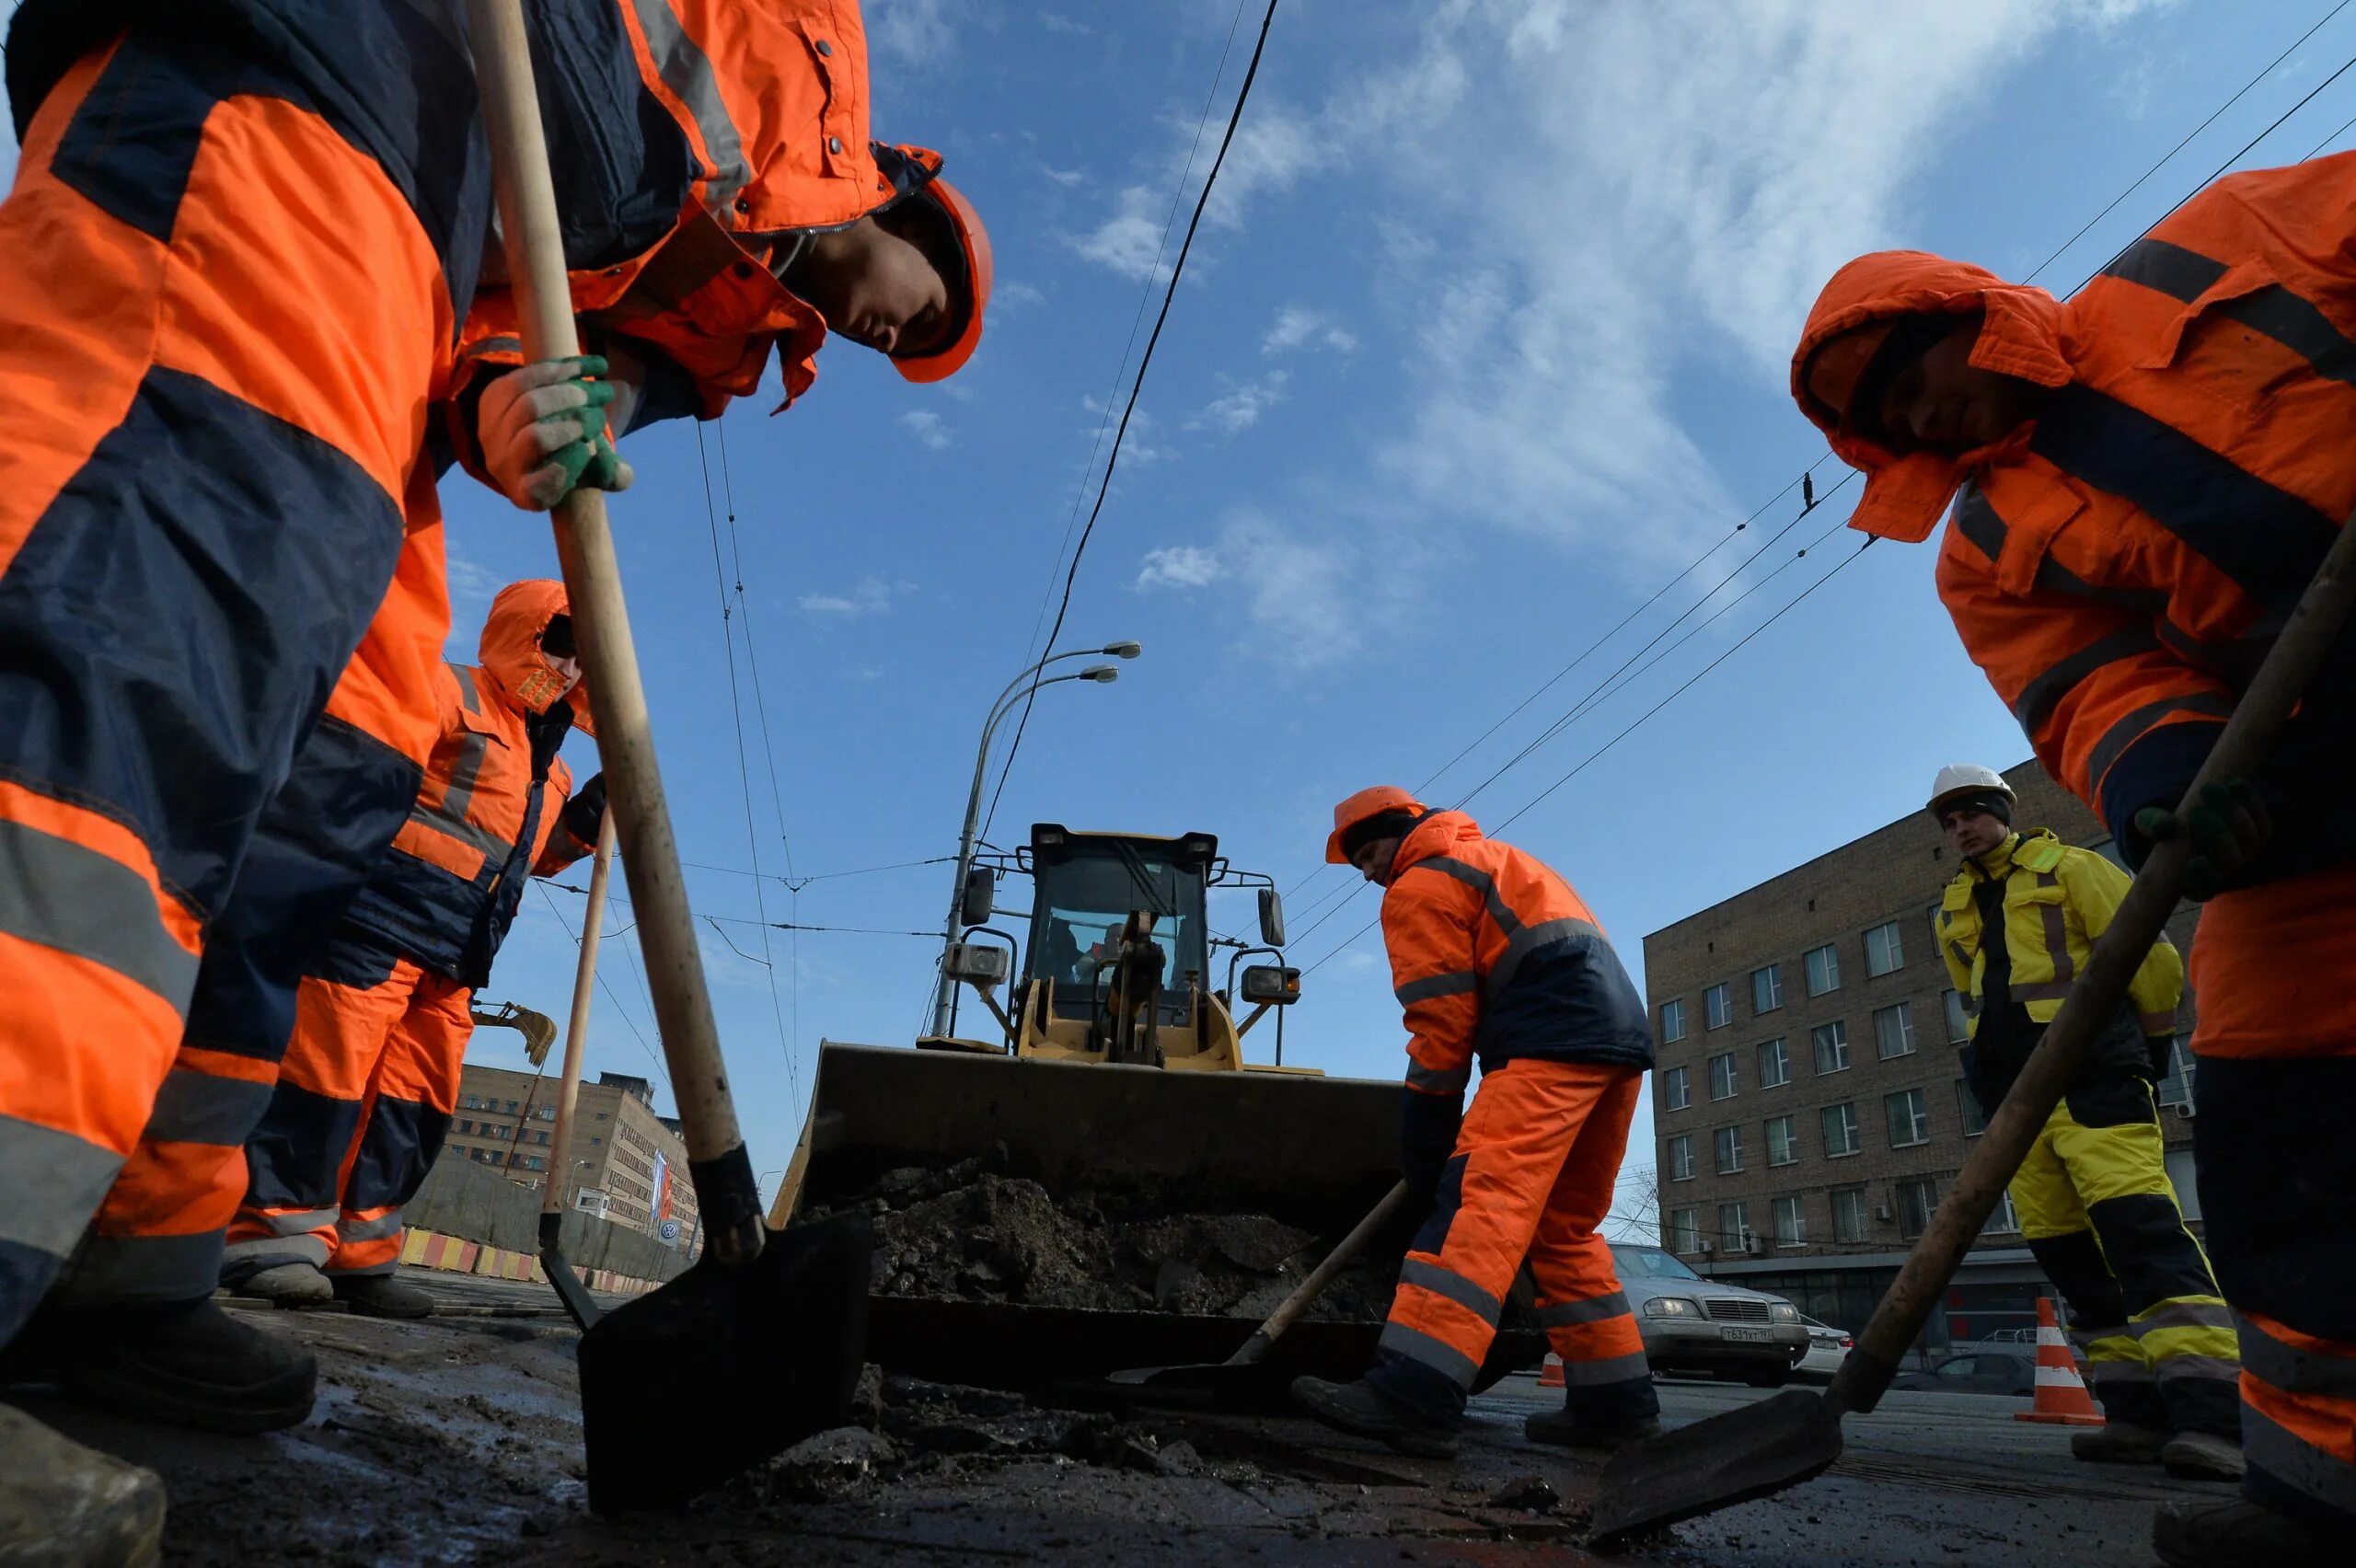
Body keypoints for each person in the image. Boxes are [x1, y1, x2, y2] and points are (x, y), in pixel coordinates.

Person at [0, 0, 989, 1544]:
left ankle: (128, 1263)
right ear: (909, 206)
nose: (903, 342)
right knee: (128, 648)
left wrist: (525, 414)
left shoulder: (734, 349)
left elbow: (540, 379)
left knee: (310, 783)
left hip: (406, 256)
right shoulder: (802, 92)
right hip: (311, 92)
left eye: (918, 353)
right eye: (930, 308)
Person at [1791, 152, 2356, 1562]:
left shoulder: (2221, 242)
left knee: (2147, 1229)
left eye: (1914, 370)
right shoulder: (1984, 545)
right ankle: (2324, 1487)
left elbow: (2141, 972)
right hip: (2309, 766)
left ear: (1973, 314)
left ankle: (2197, 1403)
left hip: (2098, 1086)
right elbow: (2098, 687)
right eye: (1886, 418)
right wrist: (2169, 783)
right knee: (2276, 1112)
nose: (1919, 412)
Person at [216, 582, 599, 1321]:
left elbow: (526, 856)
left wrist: (583, 824)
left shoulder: (552, 769)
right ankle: (270, 1239)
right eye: (562, 642)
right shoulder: (445, 693)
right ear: (525, 633)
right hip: (373, 925)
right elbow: (358, 778)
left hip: (456, 960)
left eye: (586, 655)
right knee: (325, 1085)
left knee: (410, 1110)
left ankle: (363, 1255)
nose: (574, 666)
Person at [1290, 787, 1658, 1457]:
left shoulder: (1422, 883)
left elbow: (1441, 1028)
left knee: (1478, 1211)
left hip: (1549, 1044)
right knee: (1563, 1230)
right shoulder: (1502, 860)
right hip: (1620, 1047)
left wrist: (1427, 1137)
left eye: (1369, 854)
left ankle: (1413, 1393)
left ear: (1401, 832)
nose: (1370, 874)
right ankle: (1615, 1403)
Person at [1927, 765, 2240, 1478]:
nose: (1961, 828)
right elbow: (1973, 1001)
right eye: (1949, 822)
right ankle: (2135, 1415)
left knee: (2143, 1234)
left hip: (2095, 1080)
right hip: (2017, 1104)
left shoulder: (2074, 868)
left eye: (1972, 812)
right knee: (2070, 1255)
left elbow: (2152, 960)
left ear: (2003, 810)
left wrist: (2146, 1053)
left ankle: (2217, 1418)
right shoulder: (1954, 908)